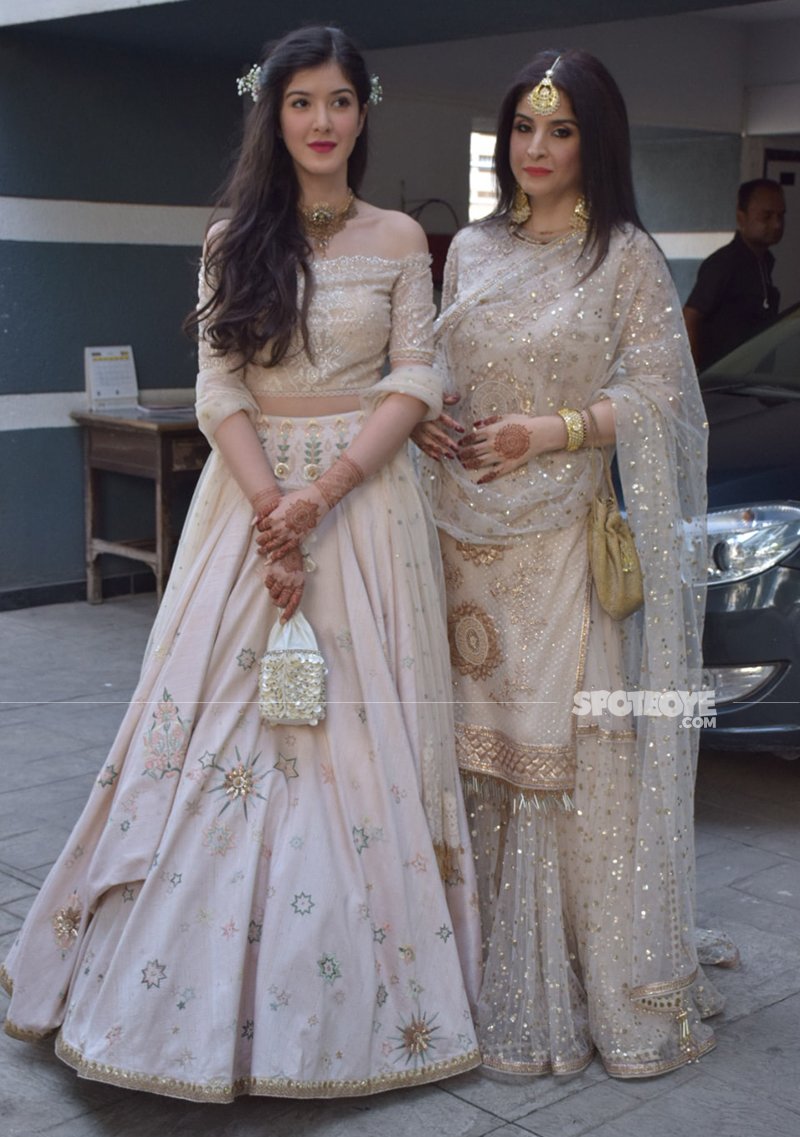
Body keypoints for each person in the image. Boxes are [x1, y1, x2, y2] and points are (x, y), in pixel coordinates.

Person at [1, 26, 481, 1100]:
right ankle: (168, 998)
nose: (321, 121)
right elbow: (218, 386)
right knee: (219, 726)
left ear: (364, 112)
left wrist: (323, 493)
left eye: (340, 102)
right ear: (272, 113)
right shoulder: (231, 237)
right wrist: (271, 505)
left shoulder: (401, 236)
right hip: (248, 501)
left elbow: (416, 375)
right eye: (301, 102)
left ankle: (363, 1006)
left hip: (362, 508)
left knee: (355, 742)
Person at [413, 49, 725, 1079]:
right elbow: (442, 371)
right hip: (460, 534)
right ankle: (465, 975)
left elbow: (661, 399)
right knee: (470, 758)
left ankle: (579, 978)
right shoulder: (470, 249)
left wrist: (547, 432)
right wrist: (435, 423)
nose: (534, 150)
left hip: (556, 546)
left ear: (595, 142)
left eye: (559, 131)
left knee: (551, 762)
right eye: (521, 130)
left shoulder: (622, 256)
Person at [683, 178, 785, 370]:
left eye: (781, 216)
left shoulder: (764, 262)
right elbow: (690, 316)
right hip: (723, 384)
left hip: (752, 381)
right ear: (741, 218)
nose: (777, 225)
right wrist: (696, 378)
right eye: (767, 216)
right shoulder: (724, 263)